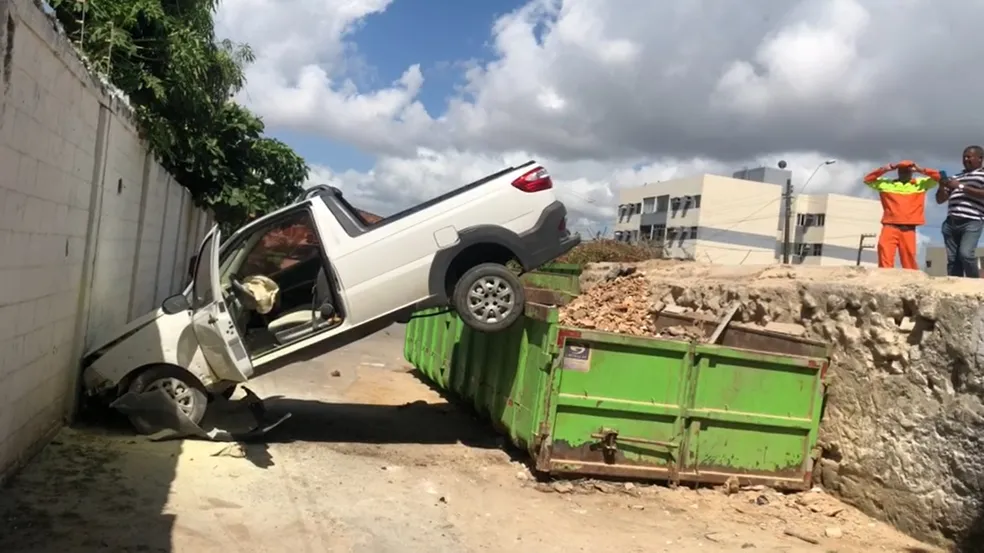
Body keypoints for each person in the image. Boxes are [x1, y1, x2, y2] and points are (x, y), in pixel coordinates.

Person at [863, 160, 940, 269]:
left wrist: (920, 169)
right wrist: (886, 168)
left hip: (908, 229)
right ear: (898, 171)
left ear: (912, 172)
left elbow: (939, 177)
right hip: (890, 227)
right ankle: (885, 280)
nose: (905, 173)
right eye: (902, 170)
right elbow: (867, 179)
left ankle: (911, 282)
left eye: (907, 170)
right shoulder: (887, 184)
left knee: (909, 260)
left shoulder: (920, 184)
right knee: (884, 255)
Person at [936, 145, 984, 278]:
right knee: (953, 260)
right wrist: (942, 186)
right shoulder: (956, 176)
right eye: (964, 157)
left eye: (969, 156)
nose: (966, 159)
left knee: (966, 254)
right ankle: (955, 287)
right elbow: (940, 200)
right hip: (951, 222)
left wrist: (960, 186)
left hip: (972, 221)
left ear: (980, 159)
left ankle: (975, 286)